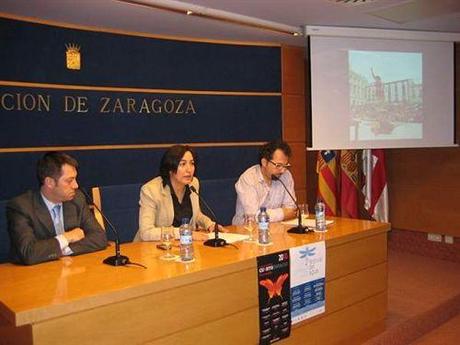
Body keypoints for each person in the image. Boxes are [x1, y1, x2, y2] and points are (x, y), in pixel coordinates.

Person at [6, 152, 107, 265]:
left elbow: (100, 238)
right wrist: (66, 238)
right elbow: (28, 253)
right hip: (35, 275)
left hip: (71, 269)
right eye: (69, 181)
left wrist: (64, 249)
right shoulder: (21, 207)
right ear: (49, 182)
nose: (76, 185)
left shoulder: (77, 199)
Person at [133, 145, 216, 241]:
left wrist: (210, 224)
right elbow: (146, 232)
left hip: (182, 247)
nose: (189, 170)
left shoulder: (193, 183)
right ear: (170, 168)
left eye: (192, 163)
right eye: (183, 164)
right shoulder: (151, 190)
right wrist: (184, 233)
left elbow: (196, 214)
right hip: (152, 248)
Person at [232, 140, 297, 225]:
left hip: (276, 230)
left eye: (285, 166)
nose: (283, 170)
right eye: (278, 165)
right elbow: (253, 217)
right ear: (264, 162)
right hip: (246, 232)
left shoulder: (286, 175)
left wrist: (284, 213)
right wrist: (283, 213)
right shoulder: (248, 179)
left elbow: (292, 209)